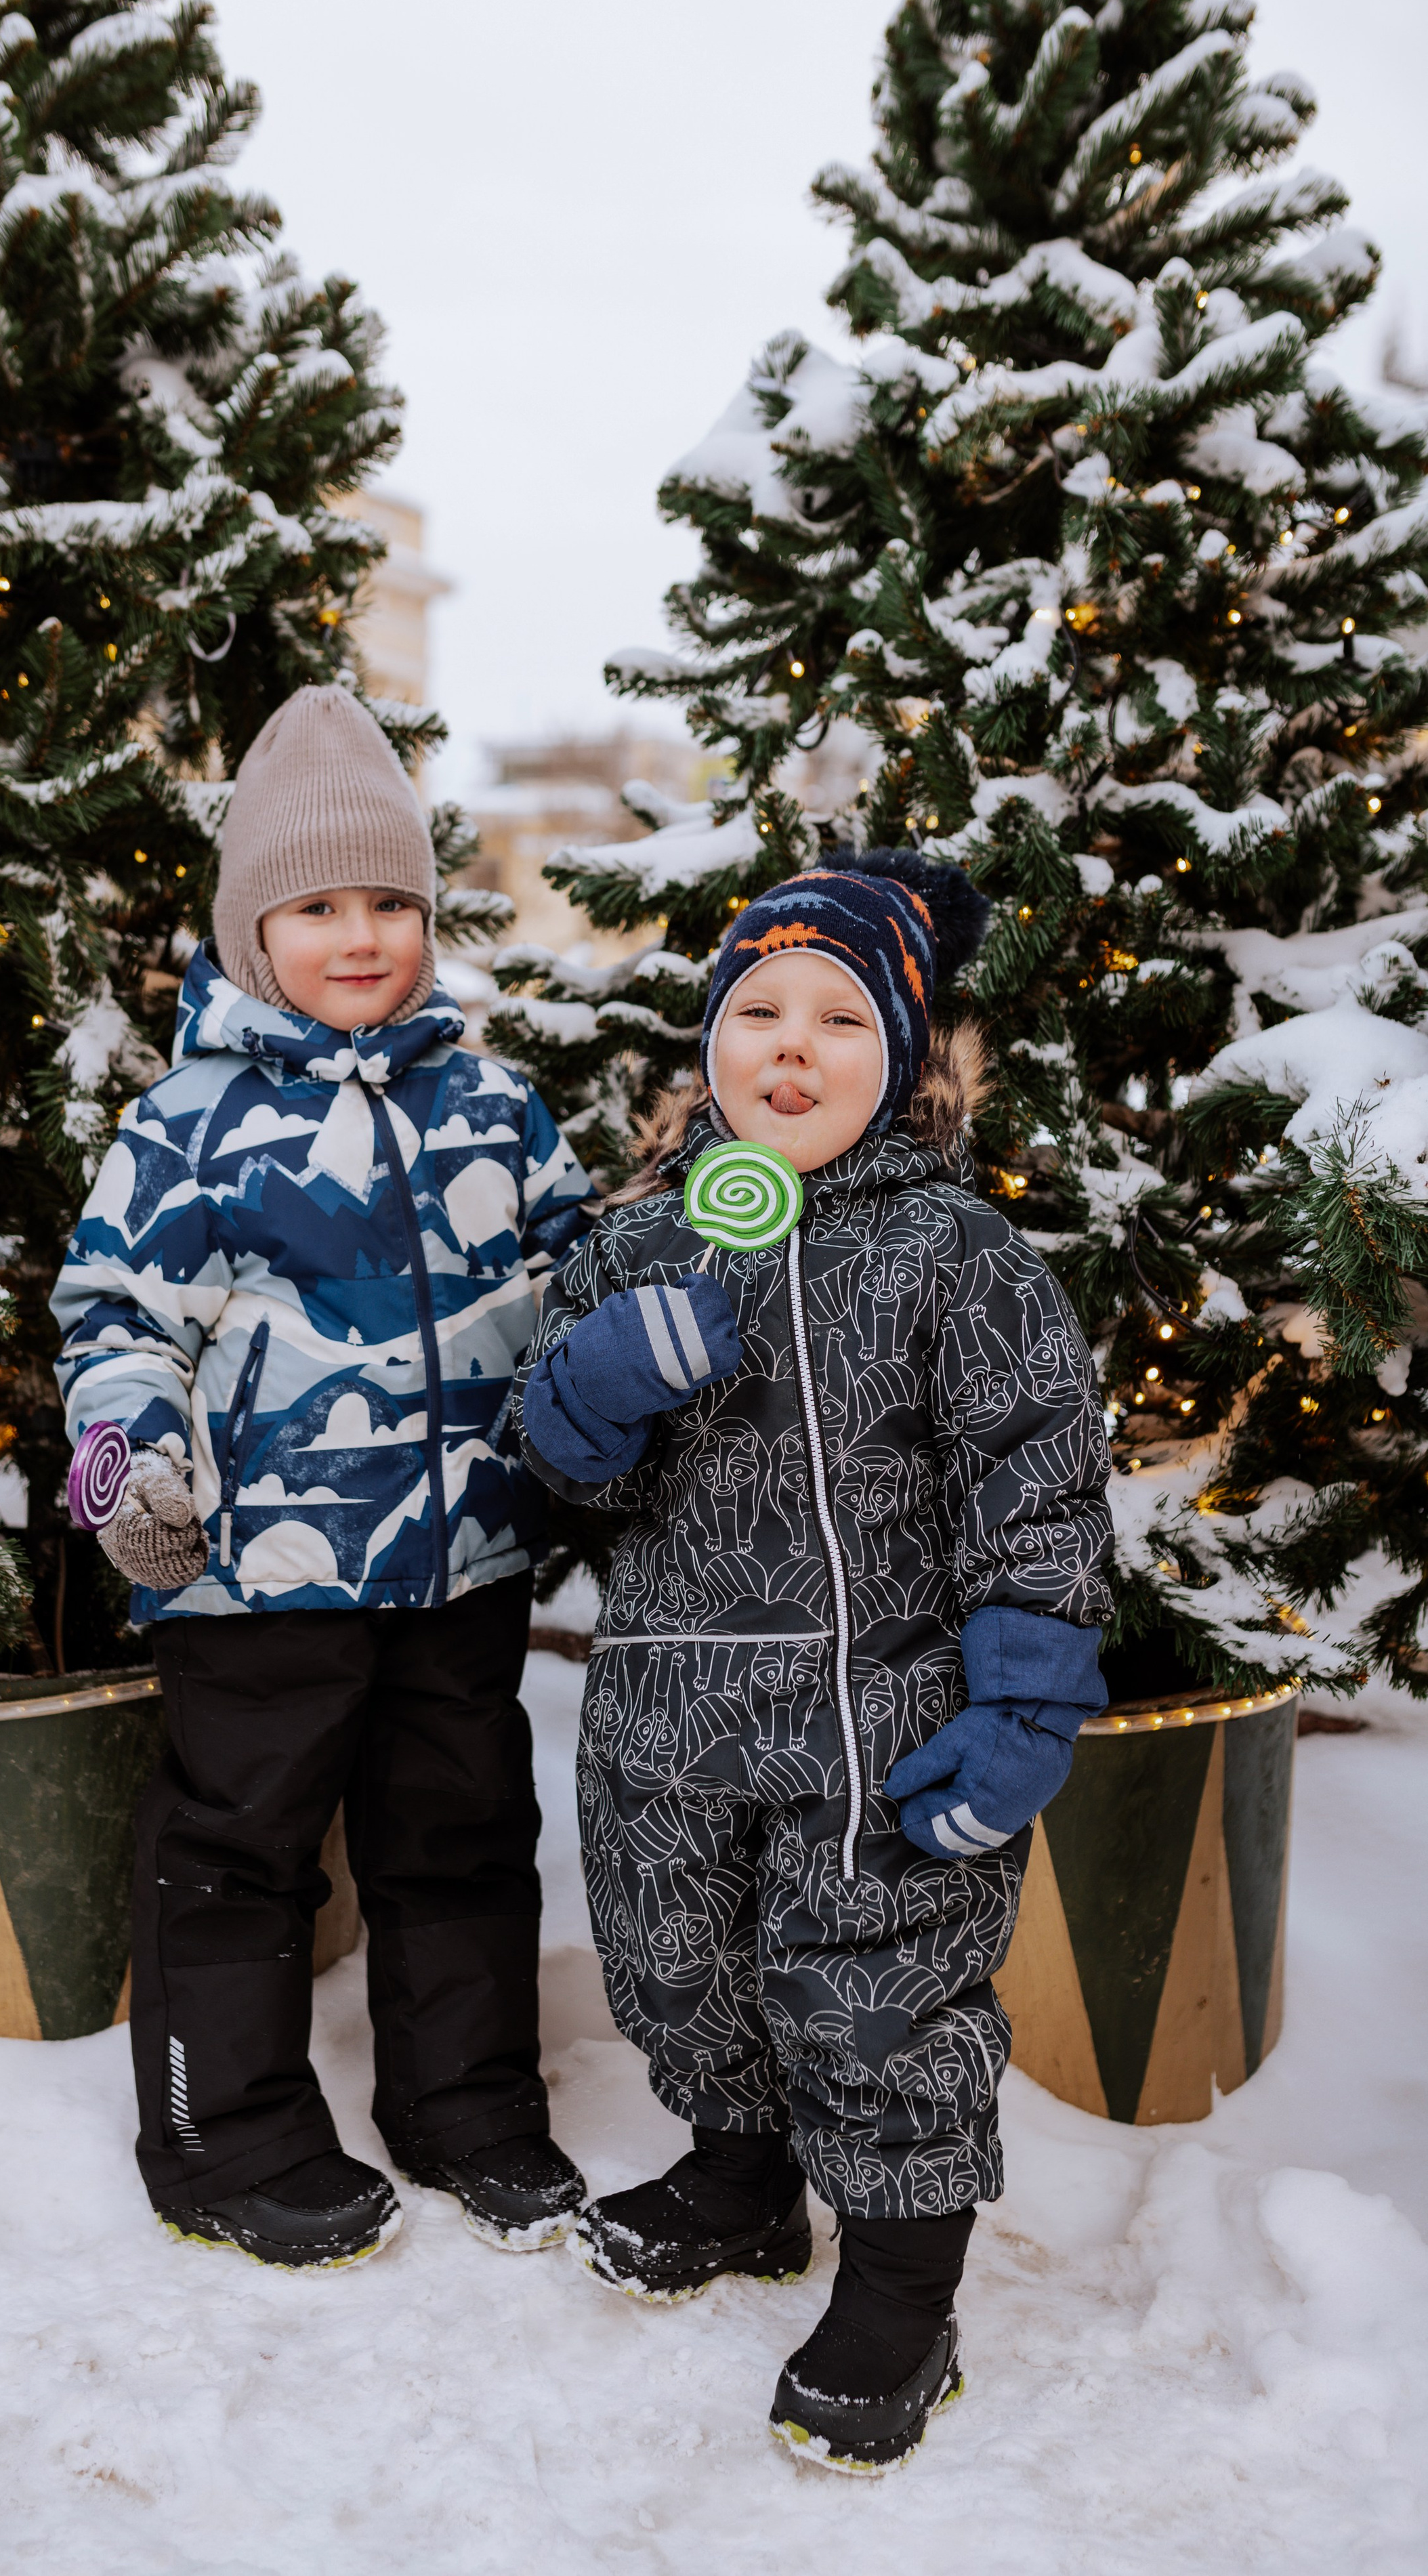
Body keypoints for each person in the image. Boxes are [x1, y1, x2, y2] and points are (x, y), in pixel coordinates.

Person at [514, 850, 1114, 2474]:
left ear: (906, 1061)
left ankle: (904, 2292)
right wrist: (593, 1385)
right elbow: (563, 1479)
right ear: (704, 1049)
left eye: (839, 1018)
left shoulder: (951, 1255)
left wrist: (1020, 1711)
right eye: (755, 1010)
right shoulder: (631, 1246)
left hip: (875, 1723)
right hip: (664, 1711)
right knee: (676, 1961)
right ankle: (738, 2177)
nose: (791, 1044)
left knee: (871, 2004)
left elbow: (1036, 1486)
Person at [52, 683, 597, 2272]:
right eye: (314, 907)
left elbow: (575, 1285)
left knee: (463, 1836)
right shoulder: (188, 1128)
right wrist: (131, 1465)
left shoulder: (494, 1103)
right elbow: (113, 1323)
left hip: (462, 1567)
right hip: (255, 1573)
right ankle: (225, 2135)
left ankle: (469, 2106)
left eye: (388, 904)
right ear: (249, 934)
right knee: (238, 1851)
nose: (357, 938)